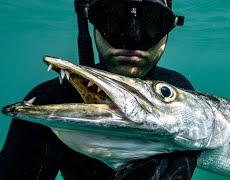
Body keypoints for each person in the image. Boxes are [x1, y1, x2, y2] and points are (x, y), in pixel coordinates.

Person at [0, 0, 200, 179]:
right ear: (91, 22)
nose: (132, 38)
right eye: (112, 18)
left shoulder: (180, 92)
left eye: (153, 21)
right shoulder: (48, 101)